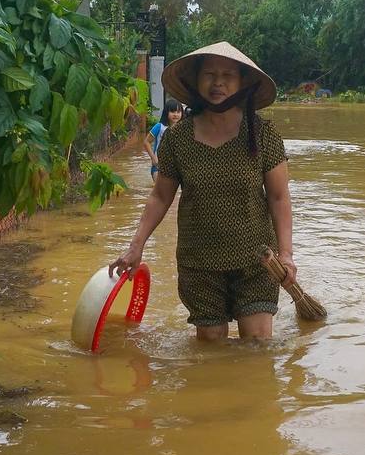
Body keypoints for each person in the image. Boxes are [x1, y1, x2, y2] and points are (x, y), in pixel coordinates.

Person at [109, 42, 296, 341]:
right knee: (210, 348)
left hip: (257, 259)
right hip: (199, 264)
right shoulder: (176, 139)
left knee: (258, 345)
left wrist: (286, 255)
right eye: (209, 74)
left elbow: (279, 197)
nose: (218, 82)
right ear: (195, 81)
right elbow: (160, 196)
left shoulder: (262, 133)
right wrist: (136, 246)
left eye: (227, 75)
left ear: (242, 82)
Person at [144, 98, 184, 179]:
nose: (176, 114)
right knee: (161, 191)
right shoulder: (159, 127)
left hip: (176, 167)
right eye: (173, 112)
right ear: (166, 113)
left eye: (178, 112)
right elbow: (146, 142)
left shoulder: (183, 128)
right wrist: (153, 158)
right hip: (158, 166)